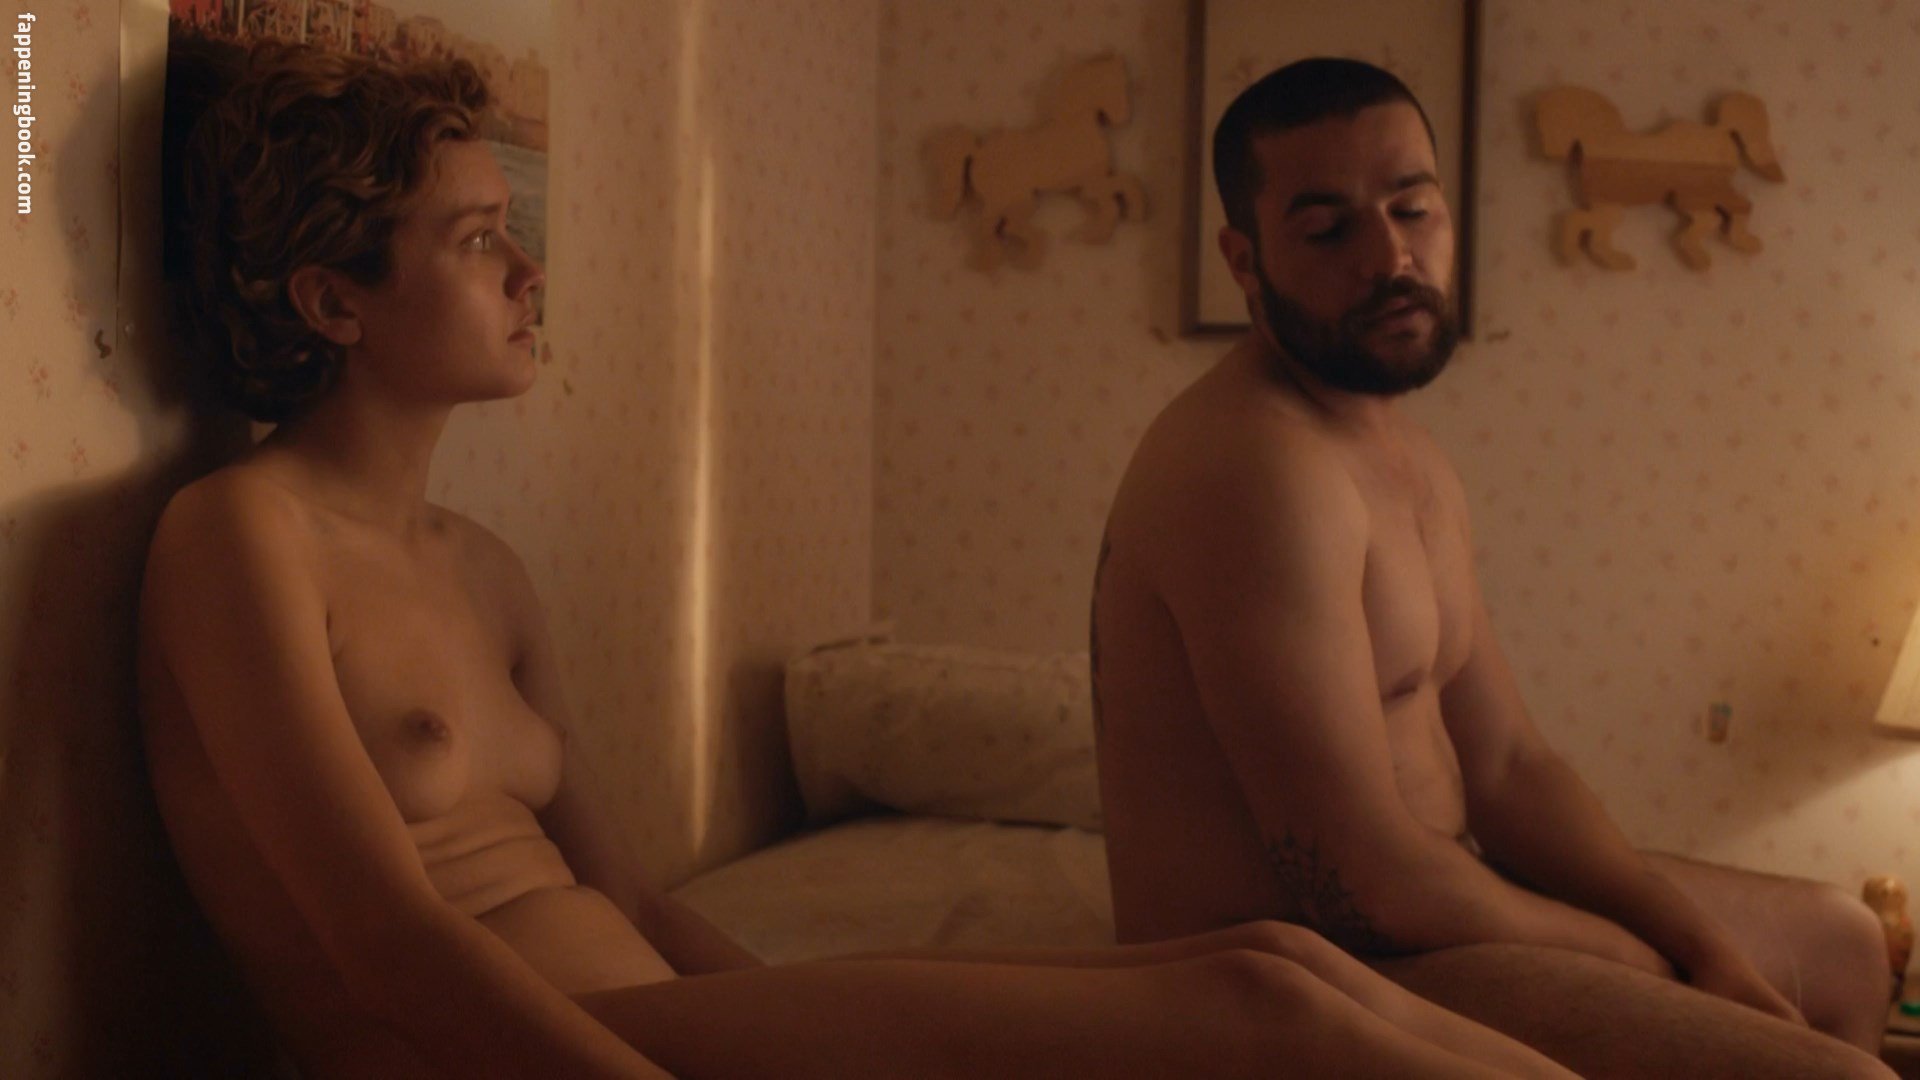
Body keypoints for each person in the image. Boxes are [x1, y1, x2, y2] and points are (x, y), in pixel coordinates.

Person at [138, 42, 1573, 1079]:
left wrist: (835, 1012)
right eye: (477, 241)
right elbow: (381, 944)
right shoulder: (239, 536)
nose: (530, 272)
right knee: (1268, 1022)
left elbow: (634, 904)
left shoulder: (482, 565)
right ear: (332, 299)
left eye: (514, 231)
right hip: (518, 1050)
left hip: (648, 1017)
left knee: (1273, 960)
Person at [1091, 56, 1896, 1080]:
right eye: (1329, 229)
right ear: (1244, 261)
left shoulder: (1404, 455)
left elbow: (1511, 766)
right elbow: (1365, 880)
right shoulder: (1253, 468)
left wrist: (1698, 941)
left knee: (1844, 943)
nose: (1391, 257)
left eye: (1413, 209)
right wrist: (1656, 964)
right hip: (1301, 970)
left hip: (1429, 917)